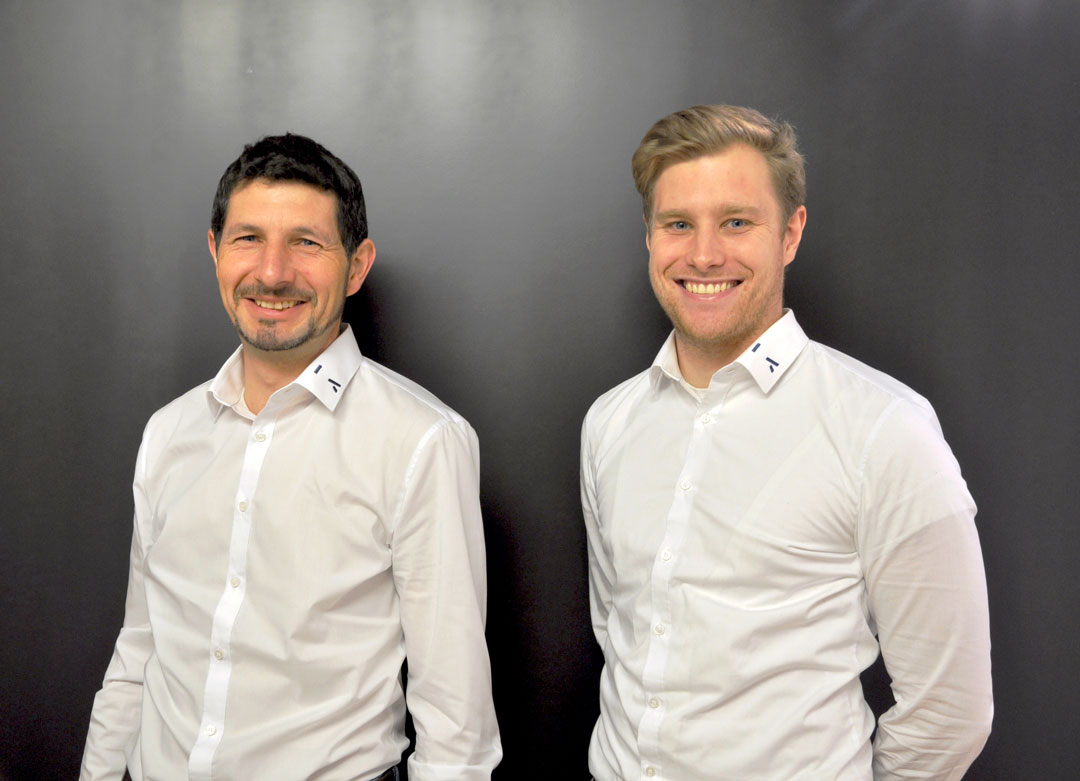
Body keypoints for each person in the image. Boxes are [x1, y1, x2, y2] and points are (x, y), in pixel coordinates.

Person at [580, 105, 992, 780]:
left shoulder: (884, 430)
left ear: (790, 233)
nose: (703, 255)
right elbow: (618, 632)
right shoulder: (609, 422)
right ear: (649, 237)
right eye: (678, 224)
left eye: (736, 222)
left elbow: (950, 711)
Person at [80, 134, 501, 781]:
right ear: (216, 251)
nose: (272, 272)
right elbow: (139, 651)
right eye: (248, 238)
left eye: (306, 242)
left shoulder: (421, 441)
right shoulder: (168, 433)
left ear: (356, 266)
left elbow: (455, 724)